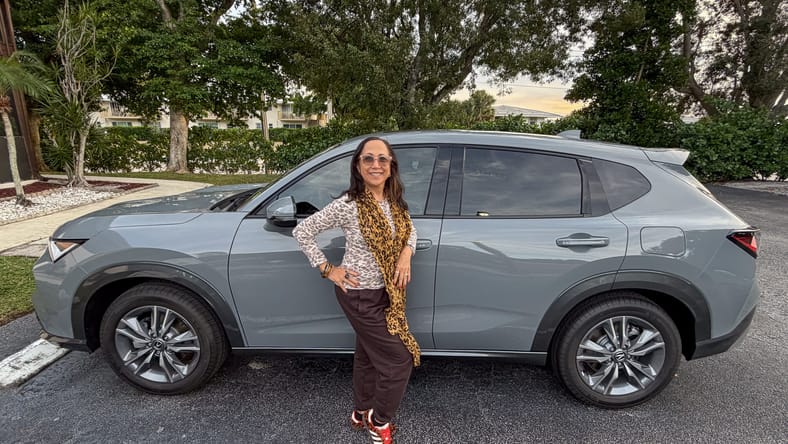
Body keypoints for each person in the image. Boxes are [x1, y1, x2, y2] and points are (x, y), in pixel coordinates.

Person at [292, 136, 420, 444]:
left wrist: (406, 253)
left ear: (391, 166)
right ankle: (379, 420)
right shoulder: (349, 205)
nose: (376, 164)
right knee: (399, 361)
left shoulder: (394, 202)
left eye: (382, 159)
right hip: (360, 295)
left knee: (367, 356)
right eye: (368, 158)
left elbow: (411, 231)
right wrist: (328, 269)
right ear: (358, 166)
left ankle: (361, 412)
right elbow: (302, 231)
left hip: (387, 293)